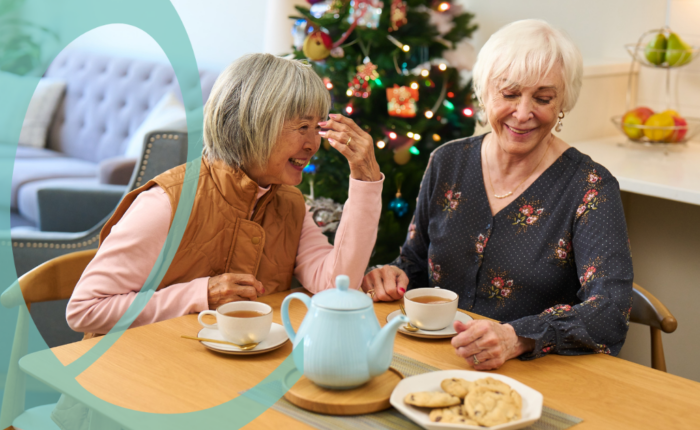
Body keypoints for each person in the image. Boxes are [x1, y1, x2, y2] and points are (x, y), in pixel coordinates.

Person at [362, 19, 634, 370]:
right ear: (483, 92)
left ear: (563, 101)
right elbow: (414, 264)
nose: (523, 113)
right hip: (435, 361)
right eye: (508, 94)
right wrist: (392, 276)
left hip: (536, 374)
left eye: (544, 98)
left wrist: (518, 337)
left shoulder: (591, 187)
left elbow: (611, 309)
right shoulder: (448, 161)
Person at [67, 53, 383, 334]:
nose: (313, 144)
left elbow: (336, 285)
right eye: (302, 127)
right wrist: (200, 294)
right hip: (136, 381)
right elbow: (84, 310)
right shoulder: (167, 202)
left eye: (318, 128)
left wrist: (365, 178)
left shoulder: (289, 202)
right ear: (254, 124)